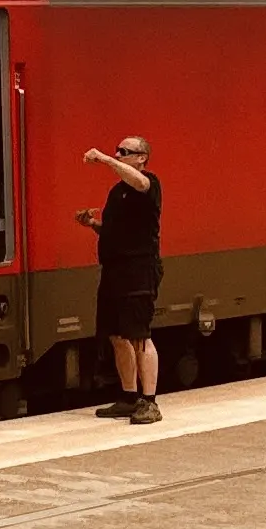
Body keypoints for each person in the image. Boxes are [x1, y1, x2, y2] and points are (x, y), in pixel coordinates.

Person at [78, 132, 162, 420]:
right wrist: (92, 224)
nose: (118, 155)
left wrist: (101, 157)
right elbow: (114, 231)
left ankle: (150, 401)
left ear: (141, 159)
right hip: (114, 271)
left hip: (139, 270)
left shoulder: (148, 184)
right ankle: (129, 396)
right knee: (116, 335)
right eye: (116, 151)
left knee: (139, 335)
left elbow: (140, 182)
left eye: (124, 152)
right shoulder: (117, 192)